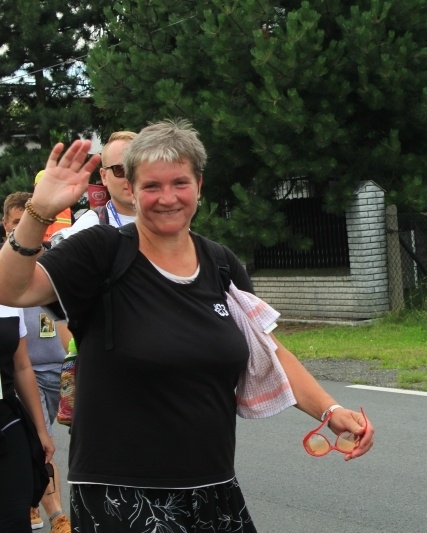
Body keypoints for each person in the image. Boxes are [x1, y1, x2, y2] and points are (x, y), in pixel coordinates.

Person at [0, 119, 374, 532]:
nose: (167, 198)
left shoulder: (221, 264)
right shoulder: (101, 252)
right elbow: (9, 289)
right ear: (131, 189)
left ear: (199, 185)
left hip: (213, 486)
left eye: (180, 183)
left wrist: (330, 410)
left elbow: (268, 351)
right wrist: (38, 212)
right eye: (151, 186)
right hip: (121, 495)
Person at [2, 192, 72, 532]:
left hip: (51, 371)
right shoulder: (7, 269)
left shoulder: (51, 262)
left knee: (40, 446)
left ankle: (34, 504)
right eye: (17, 222)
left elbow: (65, 318)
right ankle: (55, 512)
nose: (24, 229)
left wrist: (74, 359)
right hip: (26, 374)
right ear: (5, 224)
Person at [0, 303, 55, 531]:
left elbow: (21, 365)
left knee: (15, 515)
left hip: (6, 419)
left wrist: (41, 430)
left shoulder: (9, 297)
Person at [96, 130, 138, 227]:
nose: (130, 177)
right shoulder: (91, 224)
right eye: (120, 170)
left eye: (136, 169)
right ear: (104, 176)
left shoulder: (169, 219)